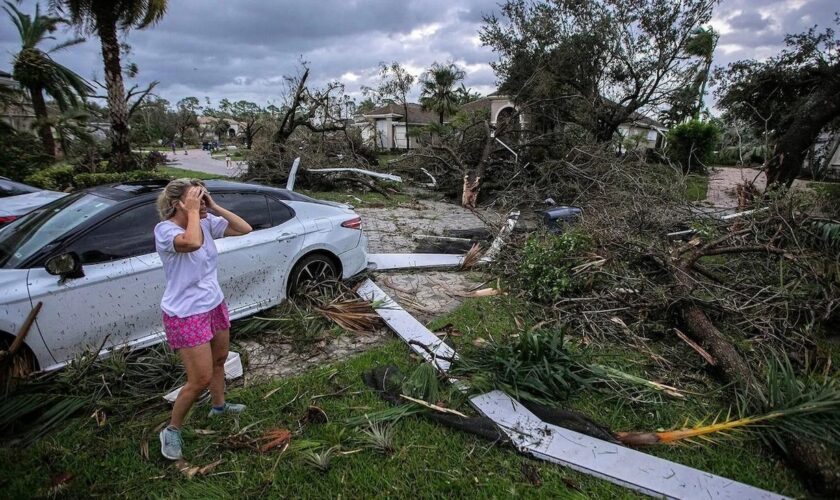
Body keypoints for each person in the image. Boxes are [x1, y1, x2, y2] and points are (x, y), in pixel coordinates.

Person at [154, 179, 252, 460]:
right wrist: (195, 213)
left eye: (202, 196)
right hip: (186, 313)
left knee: (220, 360)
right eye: (195, 197)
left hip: (213, 304)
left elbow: (244, 228)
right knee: (199, 379)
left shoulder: (206, 222)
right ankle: (171, 430)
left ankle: (219, 406)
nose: (201, 200)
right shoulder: (165, 230)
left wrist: (213, 206)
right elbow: (192, 242)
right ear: (178, 204)